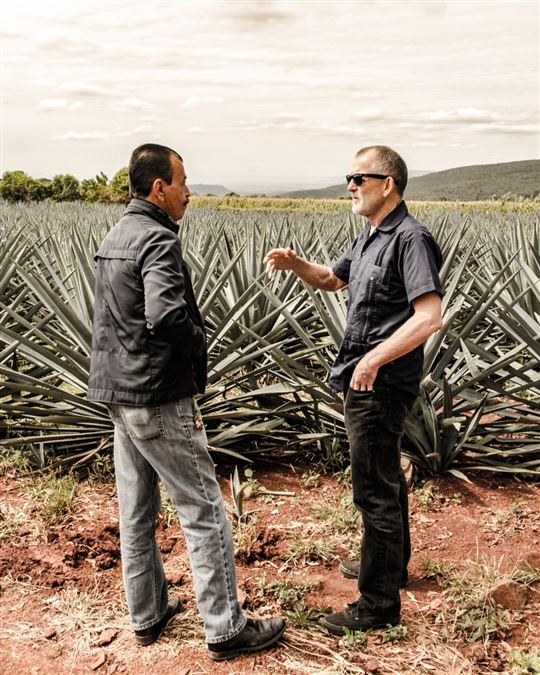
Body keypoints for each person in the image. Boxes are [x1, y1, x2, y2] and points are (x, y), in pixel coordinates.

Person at [87, 143, 286, 659]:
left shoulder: (115, 235)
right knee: (203, 509)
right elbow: (165, 314)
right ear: (159, 188)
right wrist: (200, 343)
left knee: (135, 511)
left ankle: (148, 615)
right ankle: (225, 627)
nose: (188, 192)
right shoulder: (157, 239)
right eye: (182, 182)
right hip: (157, 396)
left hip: (119, 393)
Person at [264, 145, 442, 634]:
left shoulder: (410, 239)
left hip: (380, 384)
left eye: (359, 178)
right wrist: (297, 263)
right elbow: (330, 279)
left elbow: (429, 317)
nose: (350, 185)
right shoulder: (369, 238)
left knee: (373, 491)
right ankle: (392, 567)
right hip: (365, 377)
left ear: (388, 184)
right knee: (385, 477)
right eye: (350, 177)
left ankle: (377, 607)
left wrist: (373, 358)